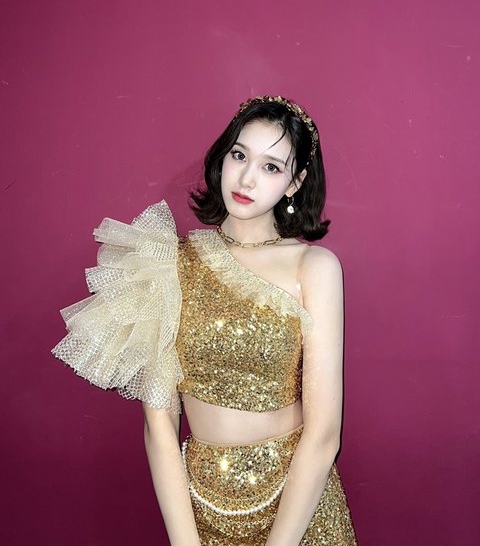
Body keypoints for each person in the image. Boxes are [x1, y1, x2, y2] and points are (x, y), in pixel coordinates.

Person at [52, 95, 357, 545]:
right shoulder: (166, 263)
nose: (247, 178)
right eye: (240, 155)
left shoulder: (314, 268)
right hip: (200, 510)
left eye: (271, 167)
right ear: (223, 157)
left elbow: (325, 433)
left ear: (295, 183)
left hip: (301, 514)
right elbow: (159, 423)